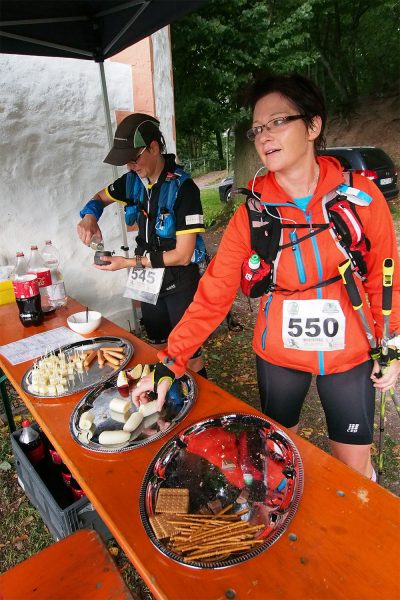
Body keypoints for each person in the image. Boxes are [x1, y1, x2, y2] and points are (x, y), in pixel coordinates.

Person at [132, 74, 400, 480]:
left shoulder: (361, 197)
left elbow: (387, 277)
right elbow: (214, 292)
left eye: (278, 122)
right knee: (278, 458)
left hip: (350, 352)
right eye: (258, 128)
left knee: (355, 468)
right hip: (279, 354)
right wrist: (172, 360)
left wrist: (391, 343)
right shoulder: (253, 214)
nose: (264, 136)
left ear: (313, 126)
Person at [77, 113, 207, 376]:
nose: (130, 166)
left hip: (179, 280)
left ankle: (201, 407)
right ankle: (169, 400)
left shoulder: (184, 189)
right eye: (126, 161)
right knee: (158, 347)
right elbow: (99, 198)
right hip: (147, 281)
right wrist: (90, 217)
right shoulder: (131, 182)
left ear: (154, 148)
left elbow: (183, 255)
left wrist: (128, 263)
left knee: (188, 356)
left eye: (134, 158)